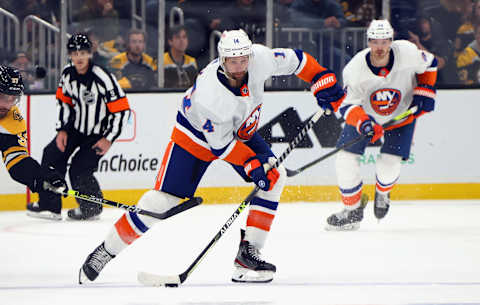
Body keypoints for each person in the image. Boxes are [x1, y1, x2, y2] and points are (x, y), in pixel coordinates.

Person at [78, 29, 345, 284]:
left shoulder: (260, 58)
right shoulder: (210, 95)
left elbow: (297, 60)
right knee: (159, 202)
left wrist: (320, 79)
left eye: (243, 59)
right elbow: (221, 147)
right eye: (233, 61)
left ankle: (247, 257)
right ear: (222, 59)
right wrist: (252, 164)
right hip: (194, 139)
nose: (240, 66)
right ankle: (105, 251)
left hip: (239, 130)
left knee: (274, 177)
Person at [326, 20, 438, 231]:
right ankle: (352, 211)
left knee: (389, 165)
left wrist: (425, 90)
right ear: (368, 41)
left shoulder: (407, 52)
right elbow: (347, 106)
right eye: (375, 42)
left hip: (401, 116)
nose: (380, 47)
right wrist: (364, 123)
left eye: (384, 41)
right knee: (344, 160)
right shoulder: (354, 70)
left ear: (391, 41)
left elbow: (430, 64)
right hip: (366, 118)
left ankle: (383, 193)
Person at [26, 33, 131, 221]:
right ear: (70, 55)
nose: (79, 57)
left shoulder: (102, 77)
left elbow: (122, 110)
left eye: (83, 53)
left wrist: (108, 138)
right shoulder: (67, 74)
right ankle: (50, 206)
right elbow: (63, 102)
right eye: (75, 53)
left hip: (97, 134)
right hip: (74, 129)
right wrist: (62, 130)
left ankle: (91, 208)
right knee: (51, 155)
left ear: (90, 54)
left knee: (80, 168)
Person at [0, 65, 67, 213]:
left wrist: (42, 176)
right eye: (4, 97)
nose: (7, 105)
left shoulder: (13, 120)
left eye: (13, 98)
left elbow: (17, 161)